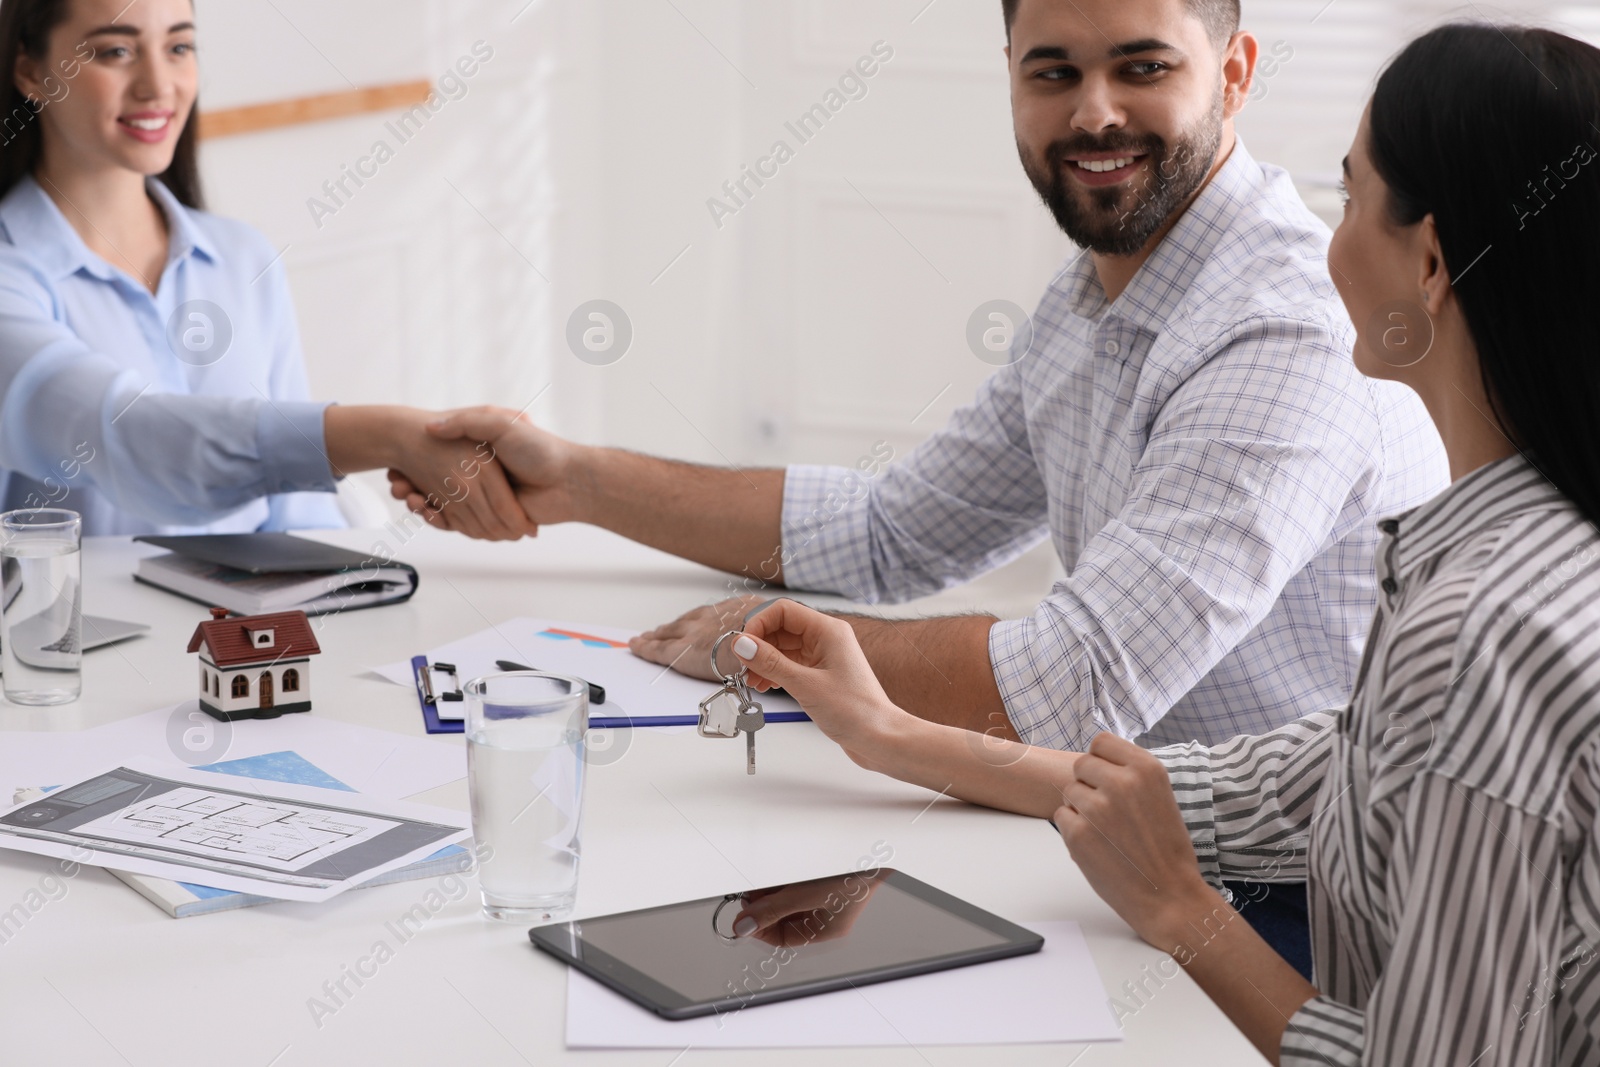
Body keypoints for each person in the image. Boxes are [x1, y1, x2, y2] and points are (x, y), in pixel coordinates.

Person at [393, 0, 1449, 974]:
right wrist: (574, 480)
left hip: (1301, 908)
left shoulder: (1278, 325)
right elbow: (892, 528)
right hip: (1128, 840)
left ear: (1236, 69)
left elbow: (1063, 687)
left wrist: (768, 638)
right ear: (1007, 78)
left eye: (1140, 68)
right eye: (1052, 72)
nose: (1092, 112)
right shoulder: (1104, 288)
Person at [723, 21, 1600, 1065]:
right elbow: (1307, 776)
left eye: (1351, 195)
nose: (1328, 233)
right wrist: (895, 736)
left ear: (1427, 257)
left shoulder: (1479, 629)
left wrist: (1183, 911)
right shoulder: (1514, 546)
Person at [0, 0, 533, 539]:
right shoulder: (11, 277)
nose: (158, 85)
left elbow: (297, 513)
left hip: (255, 621)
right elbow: (134, 440)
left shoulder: (242, 258)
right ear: (30, 71)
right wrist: (390, 435)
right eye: (116, 51)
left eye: (179, 47)